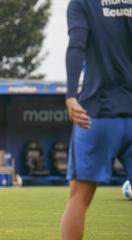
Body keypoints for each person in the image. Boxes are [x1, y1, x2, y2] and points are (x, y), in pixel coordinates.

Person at [61, 1, 132, 239]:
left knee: (79, 196)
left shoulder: (82, 3)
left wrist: (71, 95)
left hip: (97, 115)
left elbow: (77, 45)